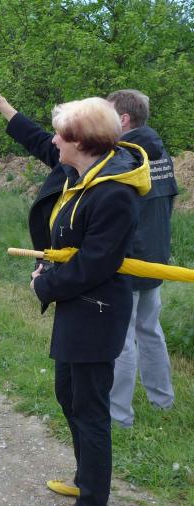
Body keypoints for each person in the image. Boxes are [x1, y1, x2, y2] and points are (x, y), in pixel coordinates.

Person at [0, 73, 150, 506]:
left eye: (61, 135)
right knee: (68, 394)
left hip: (97, 311)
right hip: (79, 306)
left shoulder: (113, 193)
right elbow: (37, 140)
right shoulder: (82, 170)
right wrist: (2, 106)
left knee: (90, 407)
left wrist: (46, 285)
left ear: (81, 140)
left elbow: (95, 264)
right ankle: (84, 479)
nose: (54, 141)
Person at [105, 90, 178, 428]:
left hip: (129, 259)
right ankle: (163, 401)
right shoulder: (161, 154)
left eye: (108, 114)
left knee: (121, 339)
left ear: (123, 119)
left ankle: (118, 416)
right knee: (150, 330)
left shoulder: (125, 156)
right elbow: (168, 203)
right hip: (156, 256)